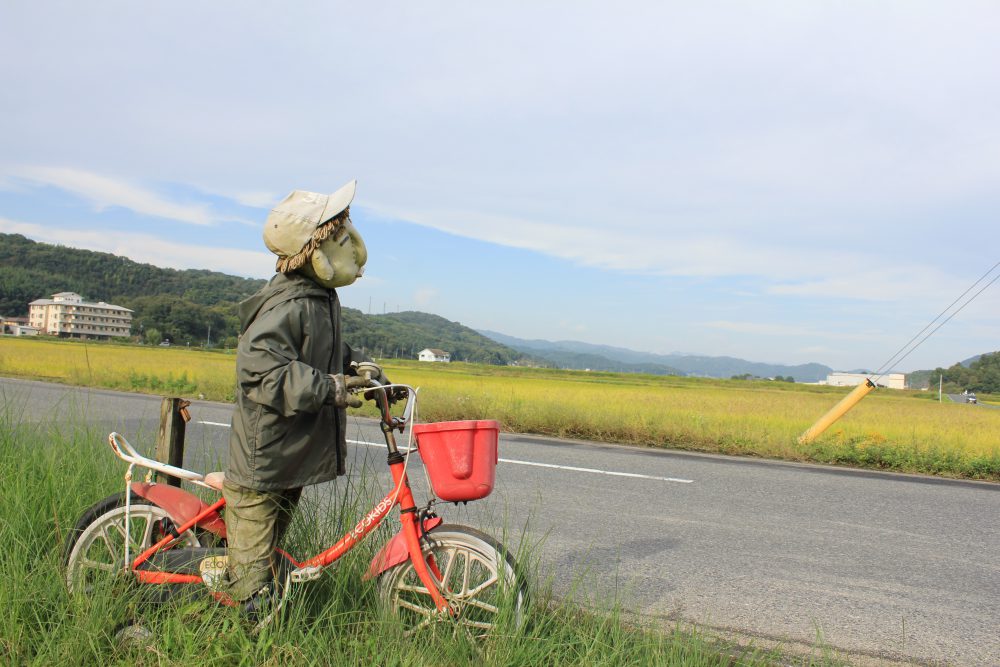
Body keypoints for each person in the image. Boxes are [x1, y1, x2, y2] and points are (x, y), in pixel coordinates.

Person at [201, 179, 389, 614]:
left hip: (289, 454)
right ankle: (236, 631)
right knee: (251, 583)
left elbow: (324, 350)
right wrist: (330, 387)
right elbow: (263, 371)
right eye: (338, 236)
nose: (350, 244)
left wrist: (359, 365)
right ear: (314, 251)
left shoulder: (319, 298)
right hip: (264, 458)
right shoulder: (287, 305)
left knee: (268, 554)